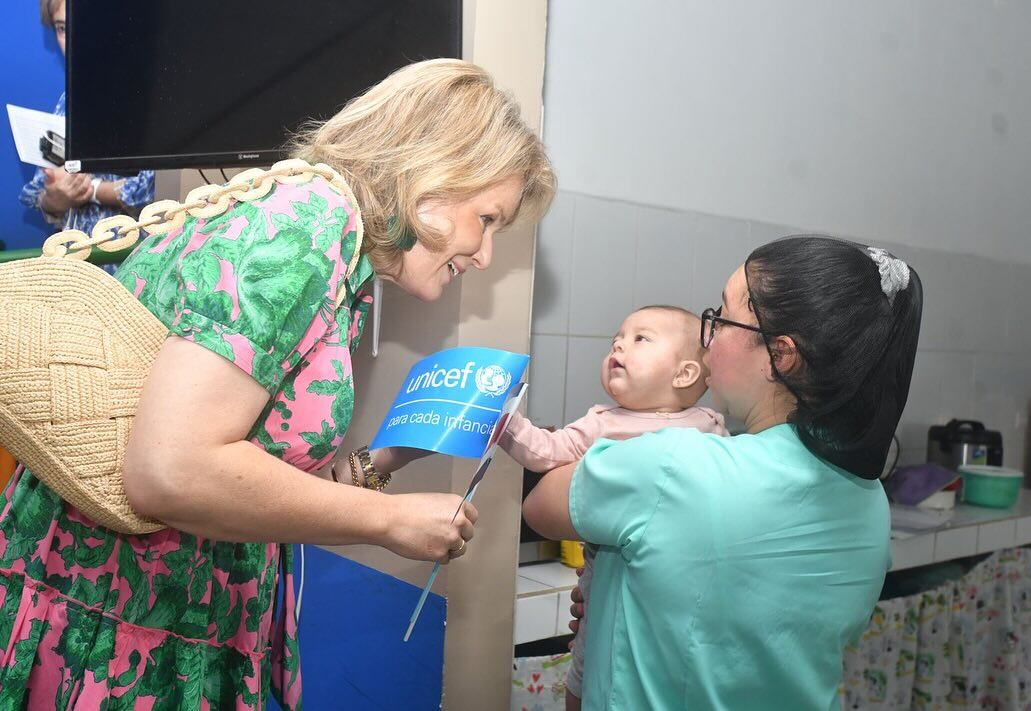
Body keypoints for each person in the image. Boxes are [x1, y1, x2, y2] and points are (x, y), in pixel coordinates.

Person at [0, 58, 554, 709]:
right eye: (487, 219)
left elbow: (255, 473)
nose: (484, 255)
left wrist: (392, 457)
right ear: (432, 173)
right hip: (116, 629)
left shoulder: (333, 247)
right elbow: (169, 470)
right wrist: (389, 519)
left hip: (166, 612)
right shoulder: (303, 230)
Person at [524, 236, 922, 710]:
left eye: (721, 317)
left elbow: (540, 505)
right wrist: (614, 594)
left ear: (780, 355)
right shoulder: (869, 498)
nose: (706, 338)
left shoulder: (673, 466)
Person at [500, 305, 728, 709]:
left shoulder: (711, 425)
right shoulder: (601, 422)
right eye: (616, 340)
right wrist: (505, 421)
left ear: (685, 374)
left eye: (640, 338)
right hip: (606, 580)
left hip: (678, 588)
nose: (619, 346)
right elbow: (545, 452)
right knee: (587, 666)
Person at [19, 0, 155, 272]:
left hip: (131, 268)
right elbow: (40, 189)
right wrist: (55, 198)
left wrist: (89, 190)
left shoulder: (147, 96)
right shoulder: (68, 99)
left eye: (85, 26)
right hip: (75, 270)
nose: (74, 42)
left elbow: (153, 188)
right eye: (62, 28)